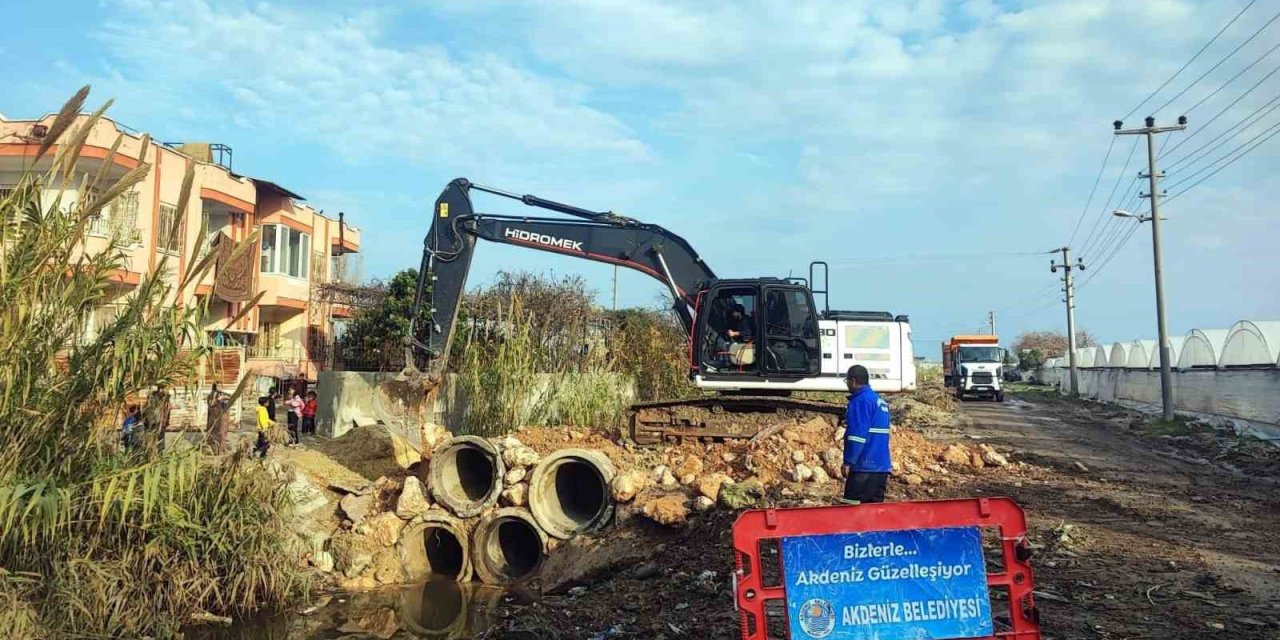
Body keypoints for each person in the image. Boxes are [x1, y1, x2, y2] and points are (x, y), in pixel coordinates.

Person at [840, 364, 892, 504]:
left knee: (851, 512)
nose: (847, 385)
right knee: (874, 514)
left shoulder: (860, 401)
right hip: (881, 467)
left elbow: (857, 436)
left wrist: (848, 462)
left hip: (864, 467)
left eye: (847, 382)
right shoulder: (877, 400)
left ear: (854, 381)